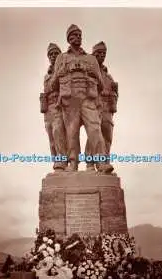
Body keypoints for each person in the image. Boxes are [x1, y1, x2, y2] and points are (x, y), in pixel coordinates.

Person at [48, 24, 114, 173]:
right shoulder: (61, 58)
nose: (77, 37)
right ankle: (73, 164)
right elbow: (52, 85)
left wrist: (91, 72)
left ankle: (101, 163)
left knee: (95, 129)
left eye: (79, 35)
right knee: (71, 134)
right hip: (69, 101)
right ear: (68, 39)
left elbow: (102, 84)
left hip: (88, 99)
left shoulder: (91, 59)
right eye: (74, 35)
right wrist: (60, 73)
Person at [84, 41, 118, 171]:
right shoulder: (89, 71)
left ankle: (104, 162)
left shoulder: (108, 76)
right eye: (99, 53)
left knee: (107, 136)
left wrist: (114, 92)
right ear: (94, 54)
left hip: (107, 109)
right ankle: (90, 163)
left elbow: (114, 94)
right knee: (94, 134)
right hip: (94, 105)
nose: (102, 55)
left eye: (104, 53)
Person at [40, 43, 68, 171]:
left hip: (59, 106)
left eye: (55, 53)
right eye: (50, 54)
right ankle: (57, 163)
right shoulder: (47, 76)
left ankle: (63, 161)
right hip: (48, 110)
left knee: (59, 133)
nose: (52, 56)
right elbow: (47, 90)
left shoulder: (63, 70)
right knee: (51, 138)